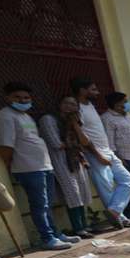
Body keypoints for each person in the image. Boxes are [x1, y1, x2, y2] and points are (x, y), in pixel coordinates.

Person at [0, 82, 75, 249]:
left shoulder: (26, 116)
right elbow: (5, 145)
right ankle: (47, 238)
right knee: (39, 204)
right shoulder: (6, 116)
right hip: (28, 168)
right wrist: (9, 164)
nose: (23, 100)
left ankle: (55, 233)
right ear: (7, 98)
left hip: (44, 166)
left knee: (47, 203)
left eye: (26, 98)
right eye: (17, 97)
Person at [73, 77, 130, 228]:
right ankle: (121, 218)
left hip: (107, 150)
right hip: (94, 153)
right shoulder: (77, 108)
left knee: (128, 181)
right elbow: (82, 137)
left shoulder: (90, 105)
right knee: (106, 187)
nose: (97, 92)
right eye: (93, 89)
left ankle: (114, 211)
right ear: (82, 90)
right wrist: (97, 155)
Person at [38, 96, 95, 238]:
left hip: (76, 159)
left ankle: (84, 226)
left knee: (82, 192)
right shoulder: (49, 119)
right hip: (61, 161)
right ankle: (78, 228)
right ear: (59, 104)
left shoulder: (73, 120)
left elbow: (85, 141)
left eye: (74, 104)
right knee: (72, 194)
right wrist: (74, 144)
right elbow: (56, 143)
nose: (70, 106)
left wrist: (75, 126)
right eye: (66, 103)